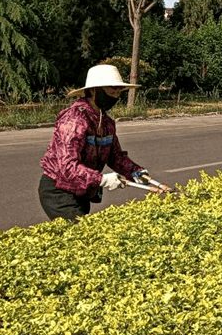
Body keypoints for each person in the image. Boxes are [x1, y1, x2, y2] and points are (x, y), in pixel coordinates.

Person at [38, 64, 169, 222]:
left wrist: (136, 172)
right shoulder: (75, 119)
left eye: (119, 90)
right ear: (94, 90)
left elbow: (115, 156)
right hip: (59, 190)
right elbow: (67, 167)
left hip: (82, 191)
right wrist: (102, 179)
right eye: (112, 88)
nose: (116, 94)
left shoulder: (106, 123)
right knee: (82, 234)